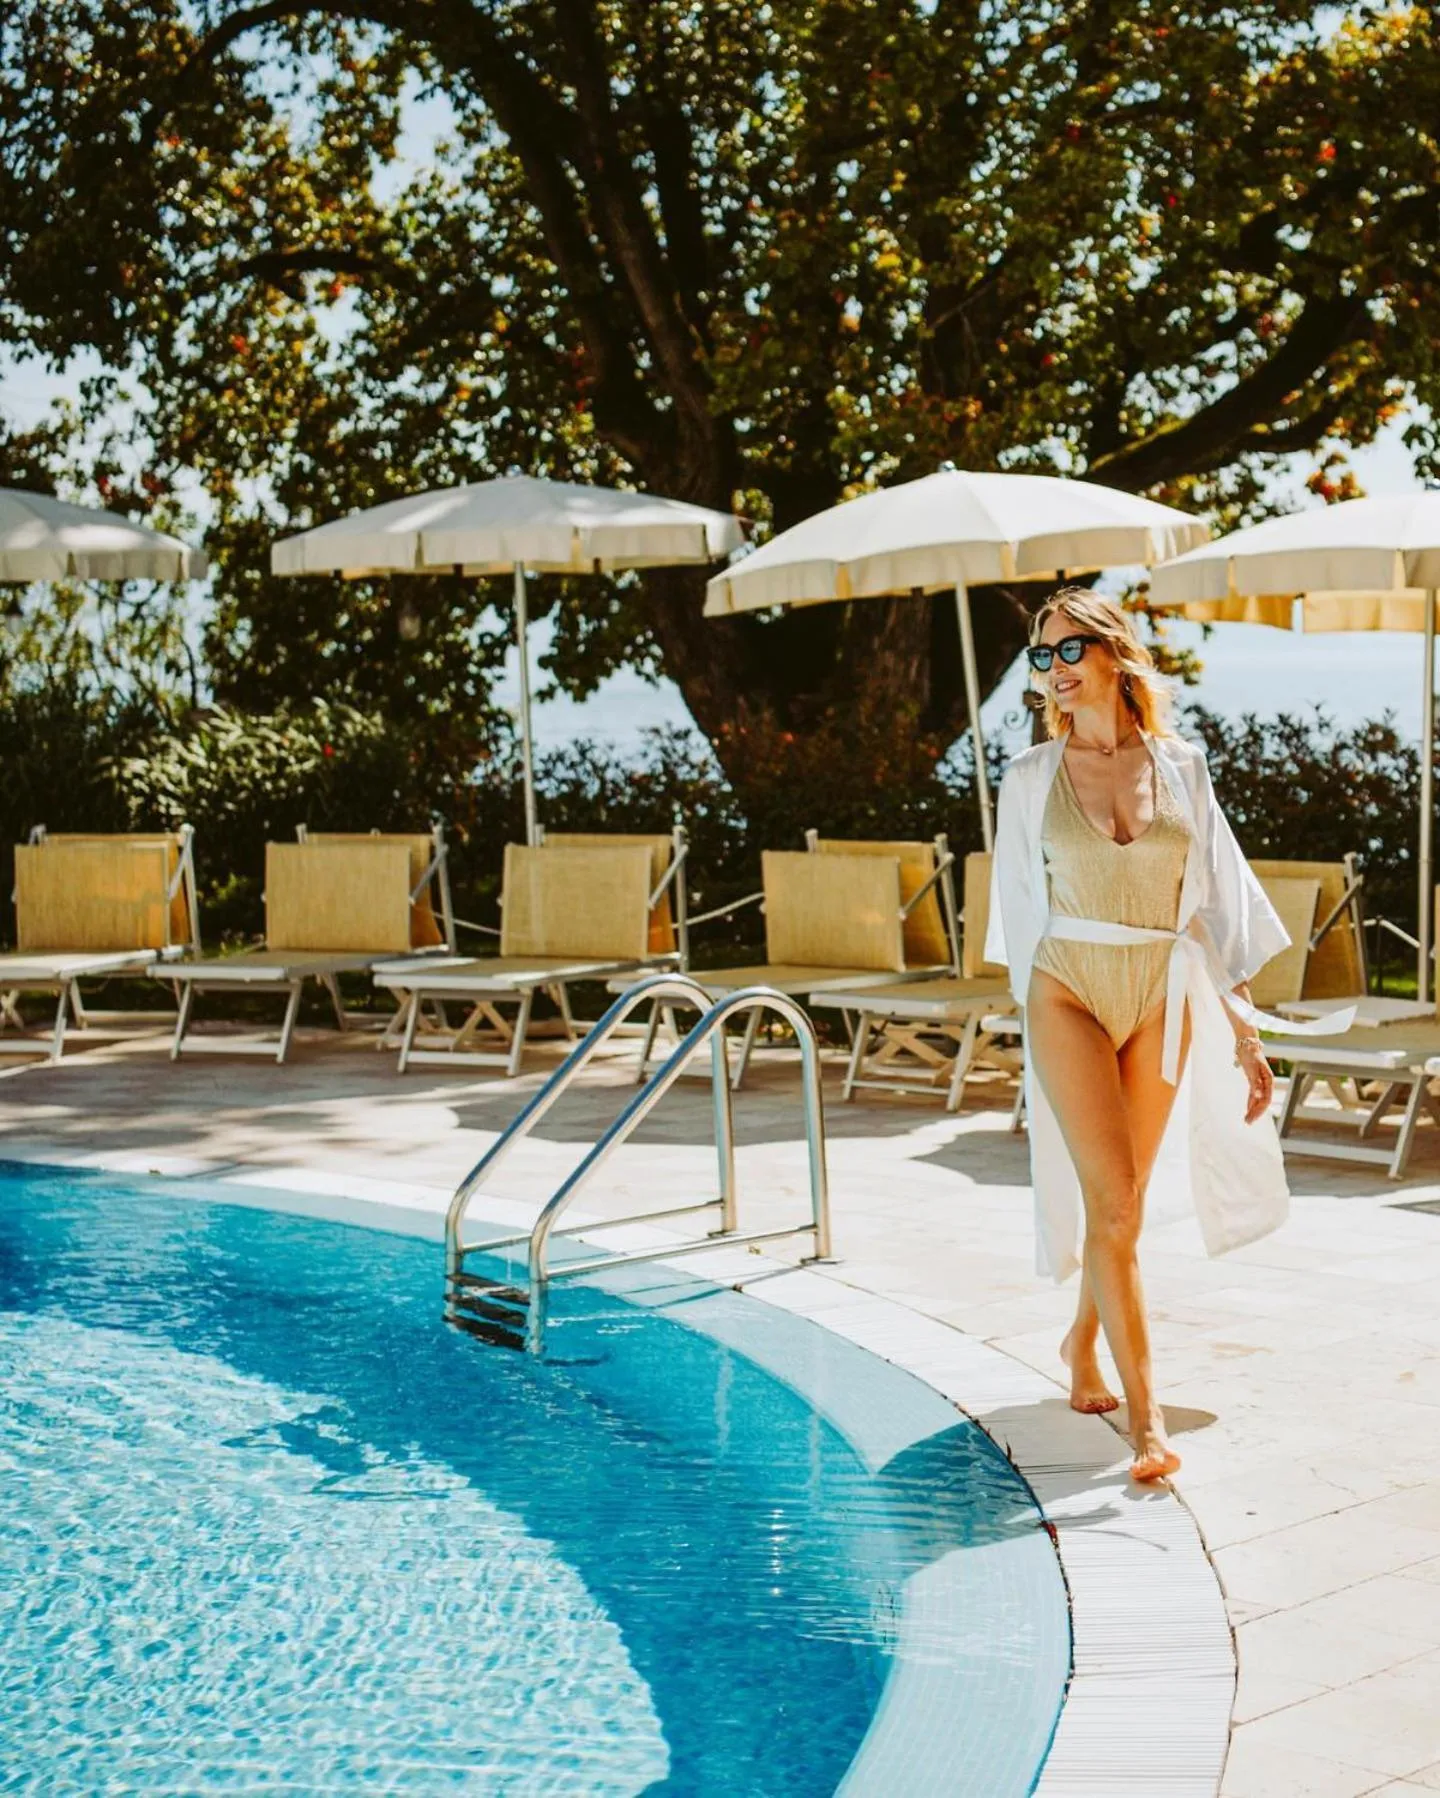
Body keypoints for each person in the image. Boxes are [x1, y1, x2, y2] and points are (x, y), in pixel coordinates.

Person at [986, 587, 1309, 1482]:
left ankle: (1080, 1343)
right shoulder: (1029, 779)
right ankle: (1149, 1424)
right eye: (1041, 656)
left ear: (1113, 653)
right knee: (1115, 1202)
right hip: (1069, 991)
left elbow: (1213, 906)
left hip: (1160, 995)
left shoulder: (1182, 767)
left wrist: (1245, 1031)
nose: (1054, 670)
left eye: (1069, 650)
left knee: (1119, 1208)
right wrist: (1026, 1022)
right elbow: (1018, 913)